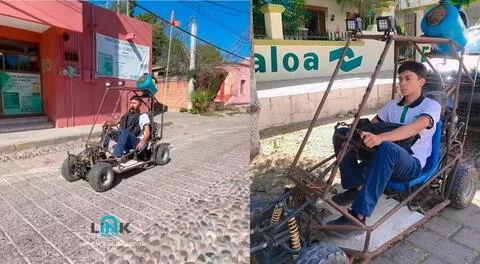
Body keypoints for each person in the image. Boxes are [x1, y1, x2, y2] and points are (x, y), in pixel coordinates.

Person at [327, 61, 441, 235]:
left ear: (421, 82)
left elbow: (414, 128)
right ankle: (356, 186)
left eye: (408, 79)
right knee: (342, 134)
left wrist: (380, 138)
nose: (402, 83)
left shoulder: (431, 106)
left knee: (388, 148)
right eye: (400, 79)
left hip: (411, 163)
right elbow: (373, 125)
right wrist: (359, 132)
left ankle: (358, 217)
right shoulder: (392, 105)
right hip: (383, 157)